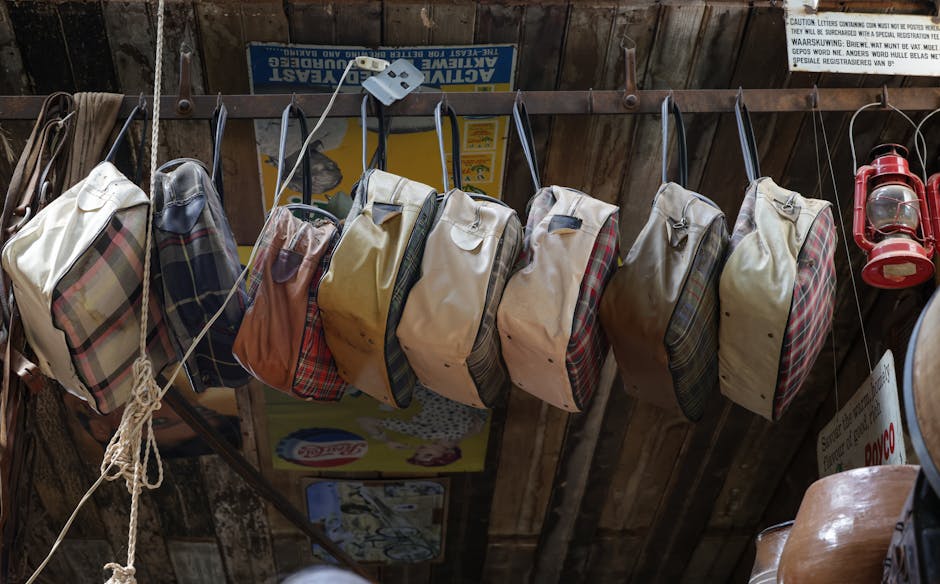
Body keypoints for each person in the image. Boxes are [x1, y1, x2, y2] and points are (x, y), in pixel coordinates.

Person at [357, 386, 488, 467]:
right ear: (449, 453)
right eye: (428, 455)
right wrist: (386, 440)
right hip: (424, 378)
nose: (420, 450)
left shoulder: (472, 429)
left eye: (418, 453)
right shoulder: (426, 433)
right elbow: (364, 421)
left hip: (455, 379)